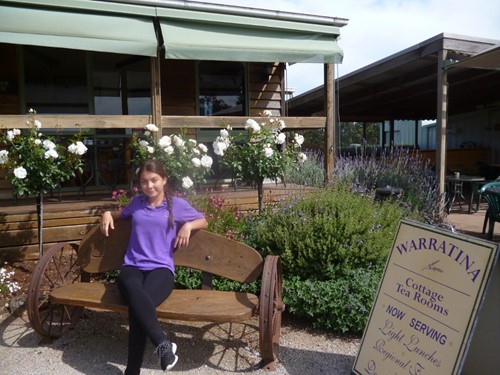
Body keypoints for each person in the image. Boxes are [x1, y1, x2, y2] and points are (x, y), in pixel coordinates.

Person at [100, 159, 208, 374]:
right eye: (144, 182)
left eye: (154, 180)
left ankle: (133, 371)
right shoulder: (137, 203)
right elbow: (119, 214)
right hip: (132, 267)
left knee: (138, 307)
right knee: (135, 297)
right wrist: (106, 213)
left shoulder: (176, 205)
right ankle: (162, 345)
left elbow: (203, 220)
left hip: (161, 270)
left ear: (164, 180)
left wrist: (187, 225)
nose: (149, 186)